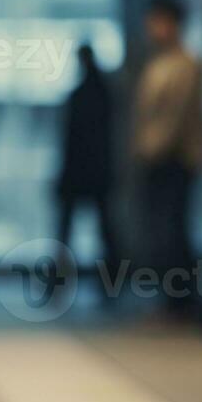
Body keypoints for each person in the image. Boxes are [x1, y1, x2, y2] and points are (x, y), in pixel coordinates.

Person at [133, 0, 202, 303]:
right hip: (158, 158)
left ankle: (180, 302)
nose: (152, 29)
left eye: (158, 21)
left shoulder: (186, 65)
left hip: (174, 160)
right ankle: (171, 300)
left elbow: (173, 118)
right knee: (162, 230)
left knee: (172, 231)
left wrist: (151, 150)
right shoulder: (159, 65)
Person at [56, 43, 120, 272]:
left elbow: (70, 140)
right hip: (96, 173)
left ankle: (60, 281)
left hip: (80, 172)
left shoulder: (83, 94)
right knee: (104, 231)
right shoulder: (104, 93)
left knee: (68, 233)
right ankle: (111, 280)